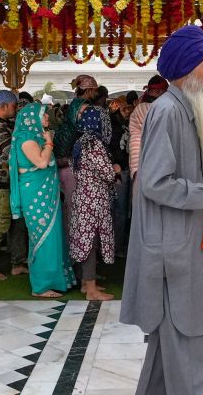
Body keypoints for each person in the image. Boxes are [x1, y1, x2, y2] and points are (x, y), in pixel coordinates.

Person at [121, 25, 203, 395]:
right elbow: (155, 182)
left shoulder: (185, 109)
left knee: (166, 354)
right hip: (172, 254)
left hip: (181, 246)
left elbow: (185, 170)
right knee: (187, 352)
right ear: (188, 70)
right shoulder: (168, 113)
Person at [9, 103, 76, 298]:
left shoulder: (36, 137)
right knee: (43, 237)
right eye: (43, 115)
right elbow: (41, 162)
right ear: (32, 119)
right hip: (36, 197)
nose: (47, 117)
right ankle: (41, 286)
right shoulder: (27, 139)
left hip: (46, 197)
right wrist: (49, 143)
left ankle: (57, 280)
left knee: (53, 235)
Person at [71, 106, 118, 301]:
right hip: (94, 199)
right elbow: (106, 173)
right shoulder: (94, 144)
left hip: (83, 196)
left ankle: (85, 283)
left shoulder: (81, 141)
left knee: (85, 239)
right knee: (91, 241)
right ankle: (91, 290)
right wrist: (115, 169)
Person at [0, 90, 28, 280]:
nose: (15, 109)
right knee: (0, 226)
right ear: (3, 106)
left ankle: (18, 262)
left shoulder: (0, 124)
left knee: (17, 223)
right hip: (0, 183)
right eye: (13, 106)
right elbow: (12, 156)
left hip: (6, 182)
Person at [53, 97, 89, 226]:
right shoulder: (68, 130)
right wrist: (79, 160)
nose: (85, 116)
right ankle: (71, 242)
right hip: (68, 174)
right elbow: (59, 158)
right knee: (72, 210)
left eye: (87, 113)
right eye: (82, 112)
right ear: (74, 112)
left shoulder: (78, 128)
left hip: (73, 172)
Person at [128, 75, 169, 182]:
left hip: (145, 166)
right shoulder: (170, 108)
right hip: (167, 167)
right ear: (160, 91)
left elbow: (135, 141)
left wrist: (136, 169)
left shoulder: (139, 109)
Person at [108, 98, 132, 257]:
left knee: (122, 209)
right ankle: (117, 247)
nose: (128, 112)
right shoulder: (115, 129)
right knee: (120, 210)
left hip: (125, 169)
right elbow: (116, 151)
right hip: (119, 171)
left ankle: (119, 245)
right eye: (124, 110)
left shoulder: (124, 126)